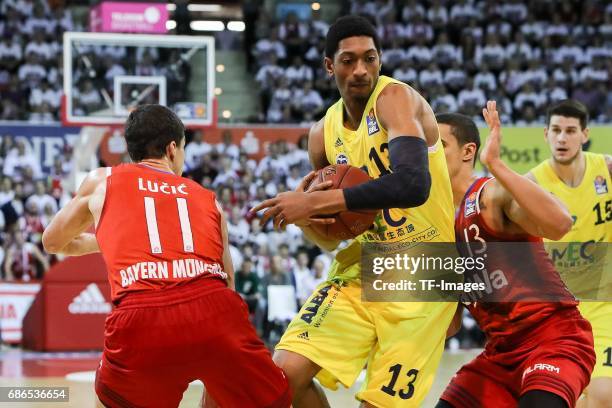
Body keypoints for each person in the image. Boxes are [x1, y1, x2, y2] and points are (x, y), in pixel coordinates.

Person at [252, 15, 457, 407]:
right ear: (330, 66)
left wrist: (315, 201)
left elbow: (414, 184)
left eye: (370, 58)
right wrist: (307, 222)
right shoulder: (321, 134)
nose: (361, 69)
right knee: (279, 379)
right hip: (358, 270)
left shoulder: (395, 99)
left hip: (424, 273)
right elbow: (331, 238)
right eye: (348, 60)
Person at [42, 105, 290, 408]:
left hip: (141, 318)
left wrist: (105, 240)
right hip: (214, 310)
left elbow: (52, 241)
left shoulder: (102, 180)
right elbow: (228, 289)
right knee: (268, 396)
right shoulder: (209, 200)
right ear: (172, 149)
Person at [436, 105, 595, 408]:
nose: (428, 153)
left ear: (468, 151)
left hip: (554, 340)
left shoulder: (490, 194)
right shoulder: (438, 228)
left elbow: (560, 223)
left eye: (439, 145)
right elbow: (450, 326)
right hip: (499, 355)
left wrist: (496, 164)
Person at [528, 99, 612, 408]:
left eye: (571, 131)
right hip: (558, 312)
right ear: (545, 134)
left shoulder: (607, 169)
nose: (562, 138)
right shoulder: (532, 184)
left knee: (604, 396)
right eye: (556, 130)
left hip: (604, 306)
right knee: (568, 397)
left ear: (585, 134)